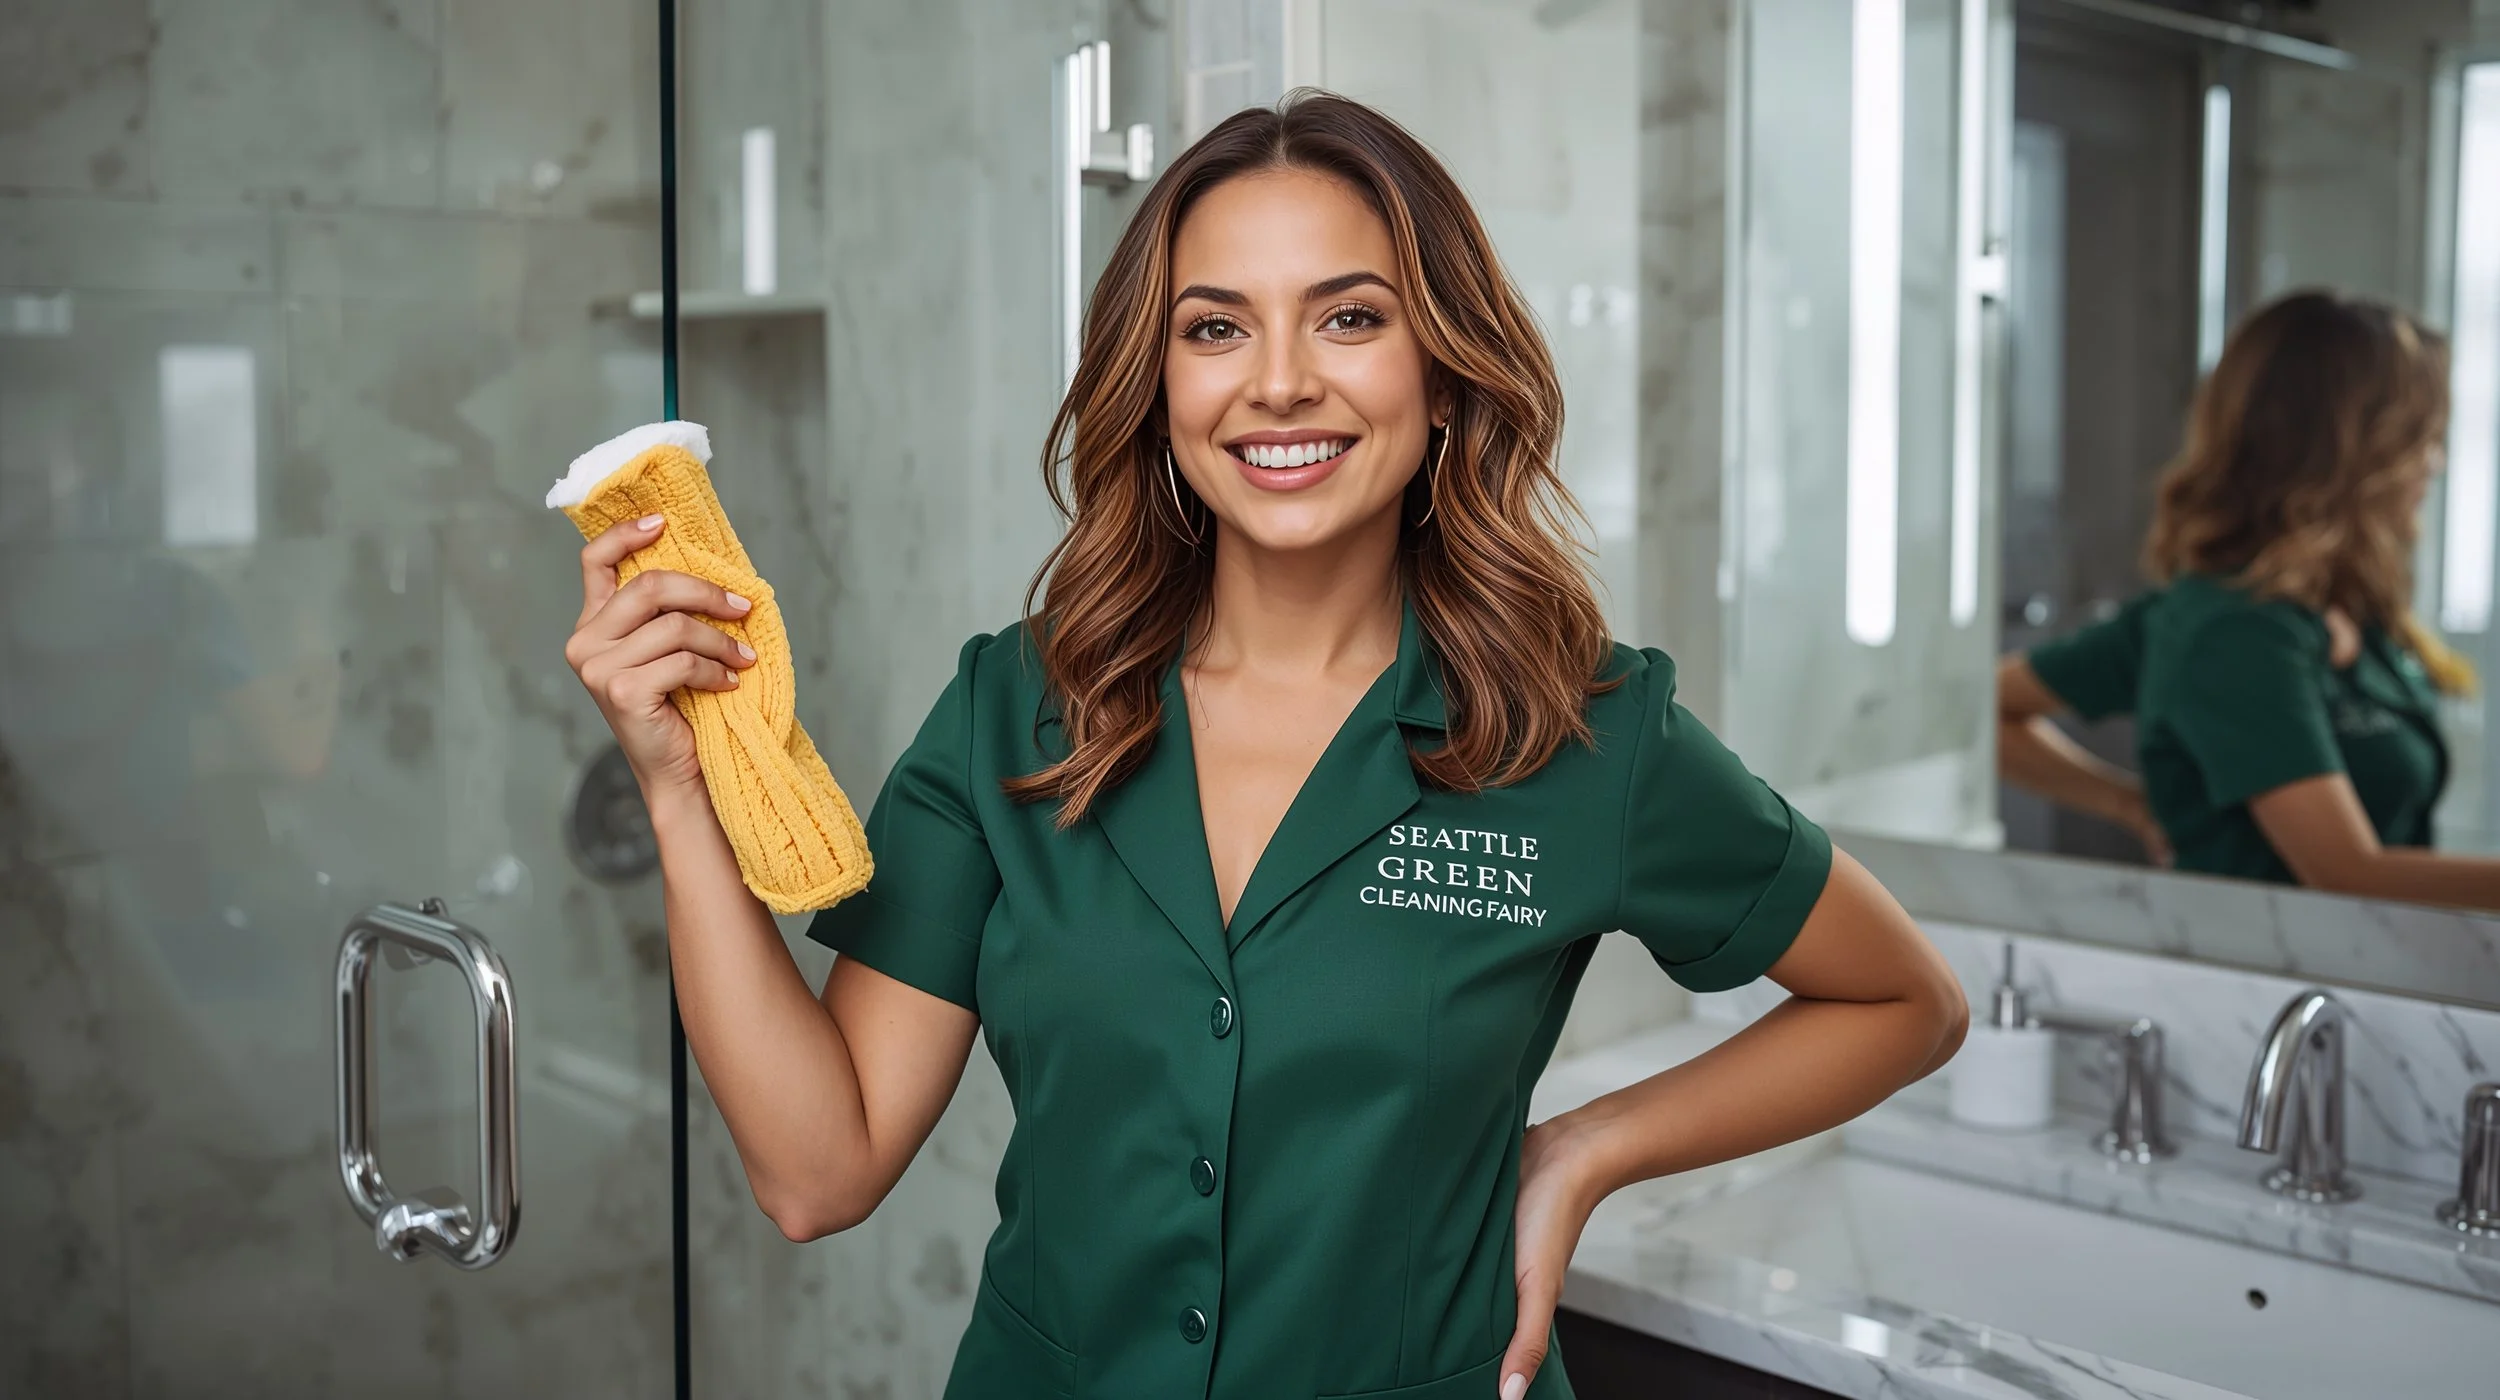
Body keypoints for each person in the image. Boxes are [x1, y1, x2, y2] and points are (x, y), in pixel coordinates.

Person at [566, 94, 1965, 1400]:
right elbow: (821, 1170)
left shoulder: (1587, 730)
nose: (1280, 384)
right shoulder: (1016, 709)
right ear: (1158, 385)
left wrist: (1584, 1152)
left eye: (1349, 317)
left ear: (1442, 371)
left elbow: (1904, 1003)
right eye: (1216, 328)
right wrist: (678, 791)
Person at [1998, 289, 2500, 907]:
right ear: (2349, 452)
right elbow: (2347, 872)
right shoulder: (2231, 632)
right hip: (2269, 976)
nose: (2437, 463)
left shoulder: (2345, 610)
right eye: (2419, 438)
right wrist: (2127, 804)